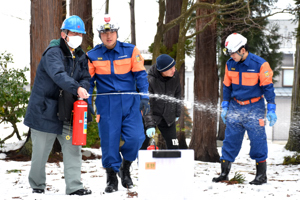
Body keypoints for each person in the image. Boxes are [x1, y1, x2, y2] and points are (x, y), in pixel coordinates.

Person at [24, 15, 92, 195]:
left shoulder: (80, 55)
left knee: (73, 149)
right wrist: (77, 88)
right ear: (64, 34)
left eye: (80, 33)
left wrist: (83, 87)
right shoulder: (53, 52)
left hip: (68, 110)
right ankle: (37, 185)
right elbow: (59, 75)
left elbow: (86, 77)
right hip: (44, 110)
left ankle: (75, 187)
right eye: (74, 33)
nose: (77, 36)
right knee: (40, 153)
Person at [87, 15, 149, 193]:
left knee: (136, 137)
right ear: (100, 35)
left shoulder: (131, 51)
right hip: (107, 103)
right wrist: (87, 100)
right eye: (105, 33)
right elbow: (88, 82)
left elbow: (141, 76)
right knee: (109, 141)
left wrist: (144, 97)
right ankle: (111, 176)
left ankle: (125, 166)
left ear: (117, 33)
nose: (109, 36)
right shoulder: (92, 55)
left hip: (130, 101)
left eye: (112, 32)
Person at [212, 33, 277, 185]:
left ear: (242, 50)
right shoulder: (230, 64)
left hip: (255, 107)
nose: (231, 55)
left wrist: (272, 107)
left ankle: (261, 176)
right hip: (235, 106)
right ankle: (224, 173)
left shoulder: (260, 64)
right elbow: (227, 86)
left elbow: (268, 87)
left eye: (233, 53)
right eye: (229, 53)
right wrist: (225, 105)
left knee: (257, 140)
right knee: (230, 139)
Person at [140, 54, 181, 150]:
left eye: (174, 67)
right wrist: (150, 125)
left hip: (168, 117)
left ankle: (173, 164)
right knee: (142, 145)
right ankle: (136, 164)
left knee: (174, 146)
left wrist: (177, 112)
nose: (173, 70)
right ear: (161, 70)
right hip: (151, 116)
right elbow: (147, 104)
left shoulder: (175, 75)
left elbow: (178, 94)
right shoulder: (149, 80)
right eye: (170, 69)